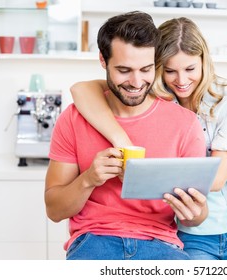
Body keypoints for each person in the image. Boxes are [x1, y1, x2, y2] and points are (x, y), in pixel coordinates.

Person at [70, 17, 227, 260]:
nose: (181, 80)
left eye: (190, 69)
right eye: (170, 71)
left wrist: (142, 174)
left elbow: (217, 179)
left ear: (204, 61)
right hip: (193, 233)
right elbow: (81, 90)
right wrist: (123, 142)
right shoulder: (153, 98)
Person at [45, 11, 210, 260]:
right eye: (124, 70)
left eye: (146, 69)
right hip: (94, 241)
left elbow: (197, 216)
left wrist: (194, 211)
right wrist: (89, 179)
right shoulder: (74, 118)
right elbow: (54, 210)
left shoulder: (185, 124)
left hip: (161, 246)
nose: (136, 82)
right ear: (103, 60)